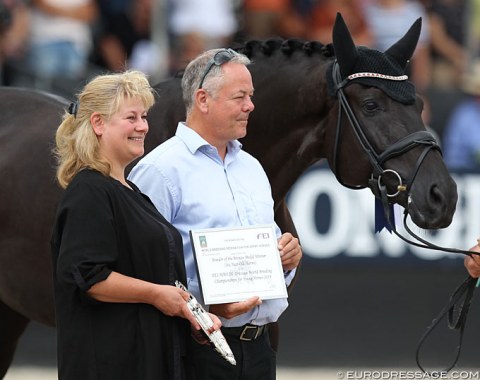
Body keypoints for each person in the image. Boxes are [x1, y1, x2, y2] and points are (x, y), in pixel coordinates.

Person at [128, 48, 302, 379]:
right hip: (194, 348)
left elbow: (266, 255)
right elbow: (139, 269)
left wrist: (286, 260)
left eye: (250, 96)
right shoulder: (160, 170)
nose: (250, 105)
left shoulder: (252, 168)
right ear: (203, 100)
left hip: (260, 348)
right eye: (240, 97)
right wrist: (205, 308)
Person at [50, 70, 221, 380]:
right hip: (112, 364)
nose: (143, 126)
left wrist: (189, 313)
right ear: (98, 123)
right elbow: (89, 276)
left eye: (144, 116)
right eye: (131, 117)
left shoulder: (131, 192)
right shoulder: (89, 191)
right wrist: (156, 294)